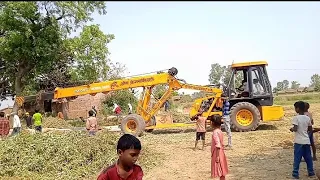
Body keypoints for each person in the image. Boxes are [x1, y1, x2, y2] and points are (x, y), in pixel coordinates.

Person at [290, 101, 315, 179]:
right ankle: (311, 173)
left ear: (297, 108)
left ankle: (295, 174)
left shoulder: (296, 118)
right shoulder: (307, 118)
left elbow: (295, 128)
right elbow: (310, 128)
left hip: (299, 141)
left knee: (297, 158)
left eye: (295, 108)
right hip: (306, 141)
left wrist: (292, 129)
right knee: (308, 158)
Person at [210, 115, 229, 180]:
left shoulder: (215, 132)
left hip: (217, 153)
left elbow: (218, 145)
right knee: (222, 169)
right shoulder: (220, 131)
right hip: (221, 152)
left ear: (212, 123)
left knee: (219, 169)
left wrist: (217, 157)